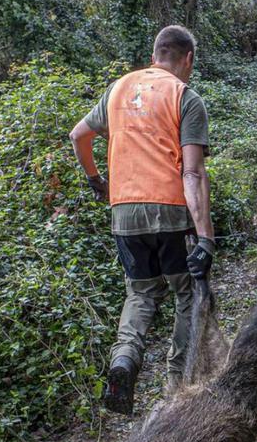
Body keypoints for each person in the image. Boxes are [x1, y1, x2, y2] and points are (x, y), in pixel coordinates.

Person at [69, 24, 215, 416]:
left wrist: (97, 181)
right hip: (170, 208)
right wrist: (205, 237)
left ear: (154, 55)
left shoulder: (117, 89)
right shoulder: (185, 97)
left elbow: (78, 136)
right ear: (187, 59)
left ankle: (124, 361)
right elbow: (192, 172)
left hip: (124, 209)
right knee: (187, 291)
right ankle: (177, 385)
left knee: (141, 293)